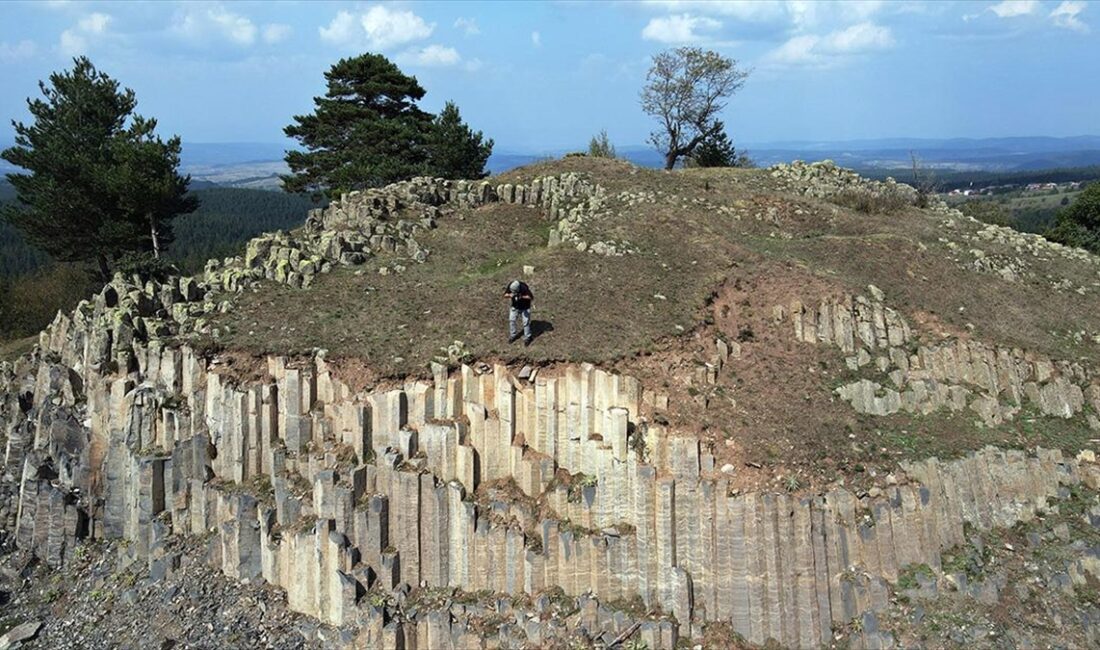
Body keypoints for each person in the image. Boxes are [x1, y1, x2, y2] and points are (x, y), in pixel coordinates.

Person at [503, 279, 534, 346]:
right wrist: (509, 295)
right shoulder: (511, 285)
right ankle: (513, 335)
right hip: (515, 307)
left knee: (526, 322)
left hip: (525, 307)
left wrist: (522, 297)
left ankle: (528, 337)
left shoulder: (524, 287)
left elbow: (530, 297)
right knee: (512, 320)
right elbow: (505, 295)